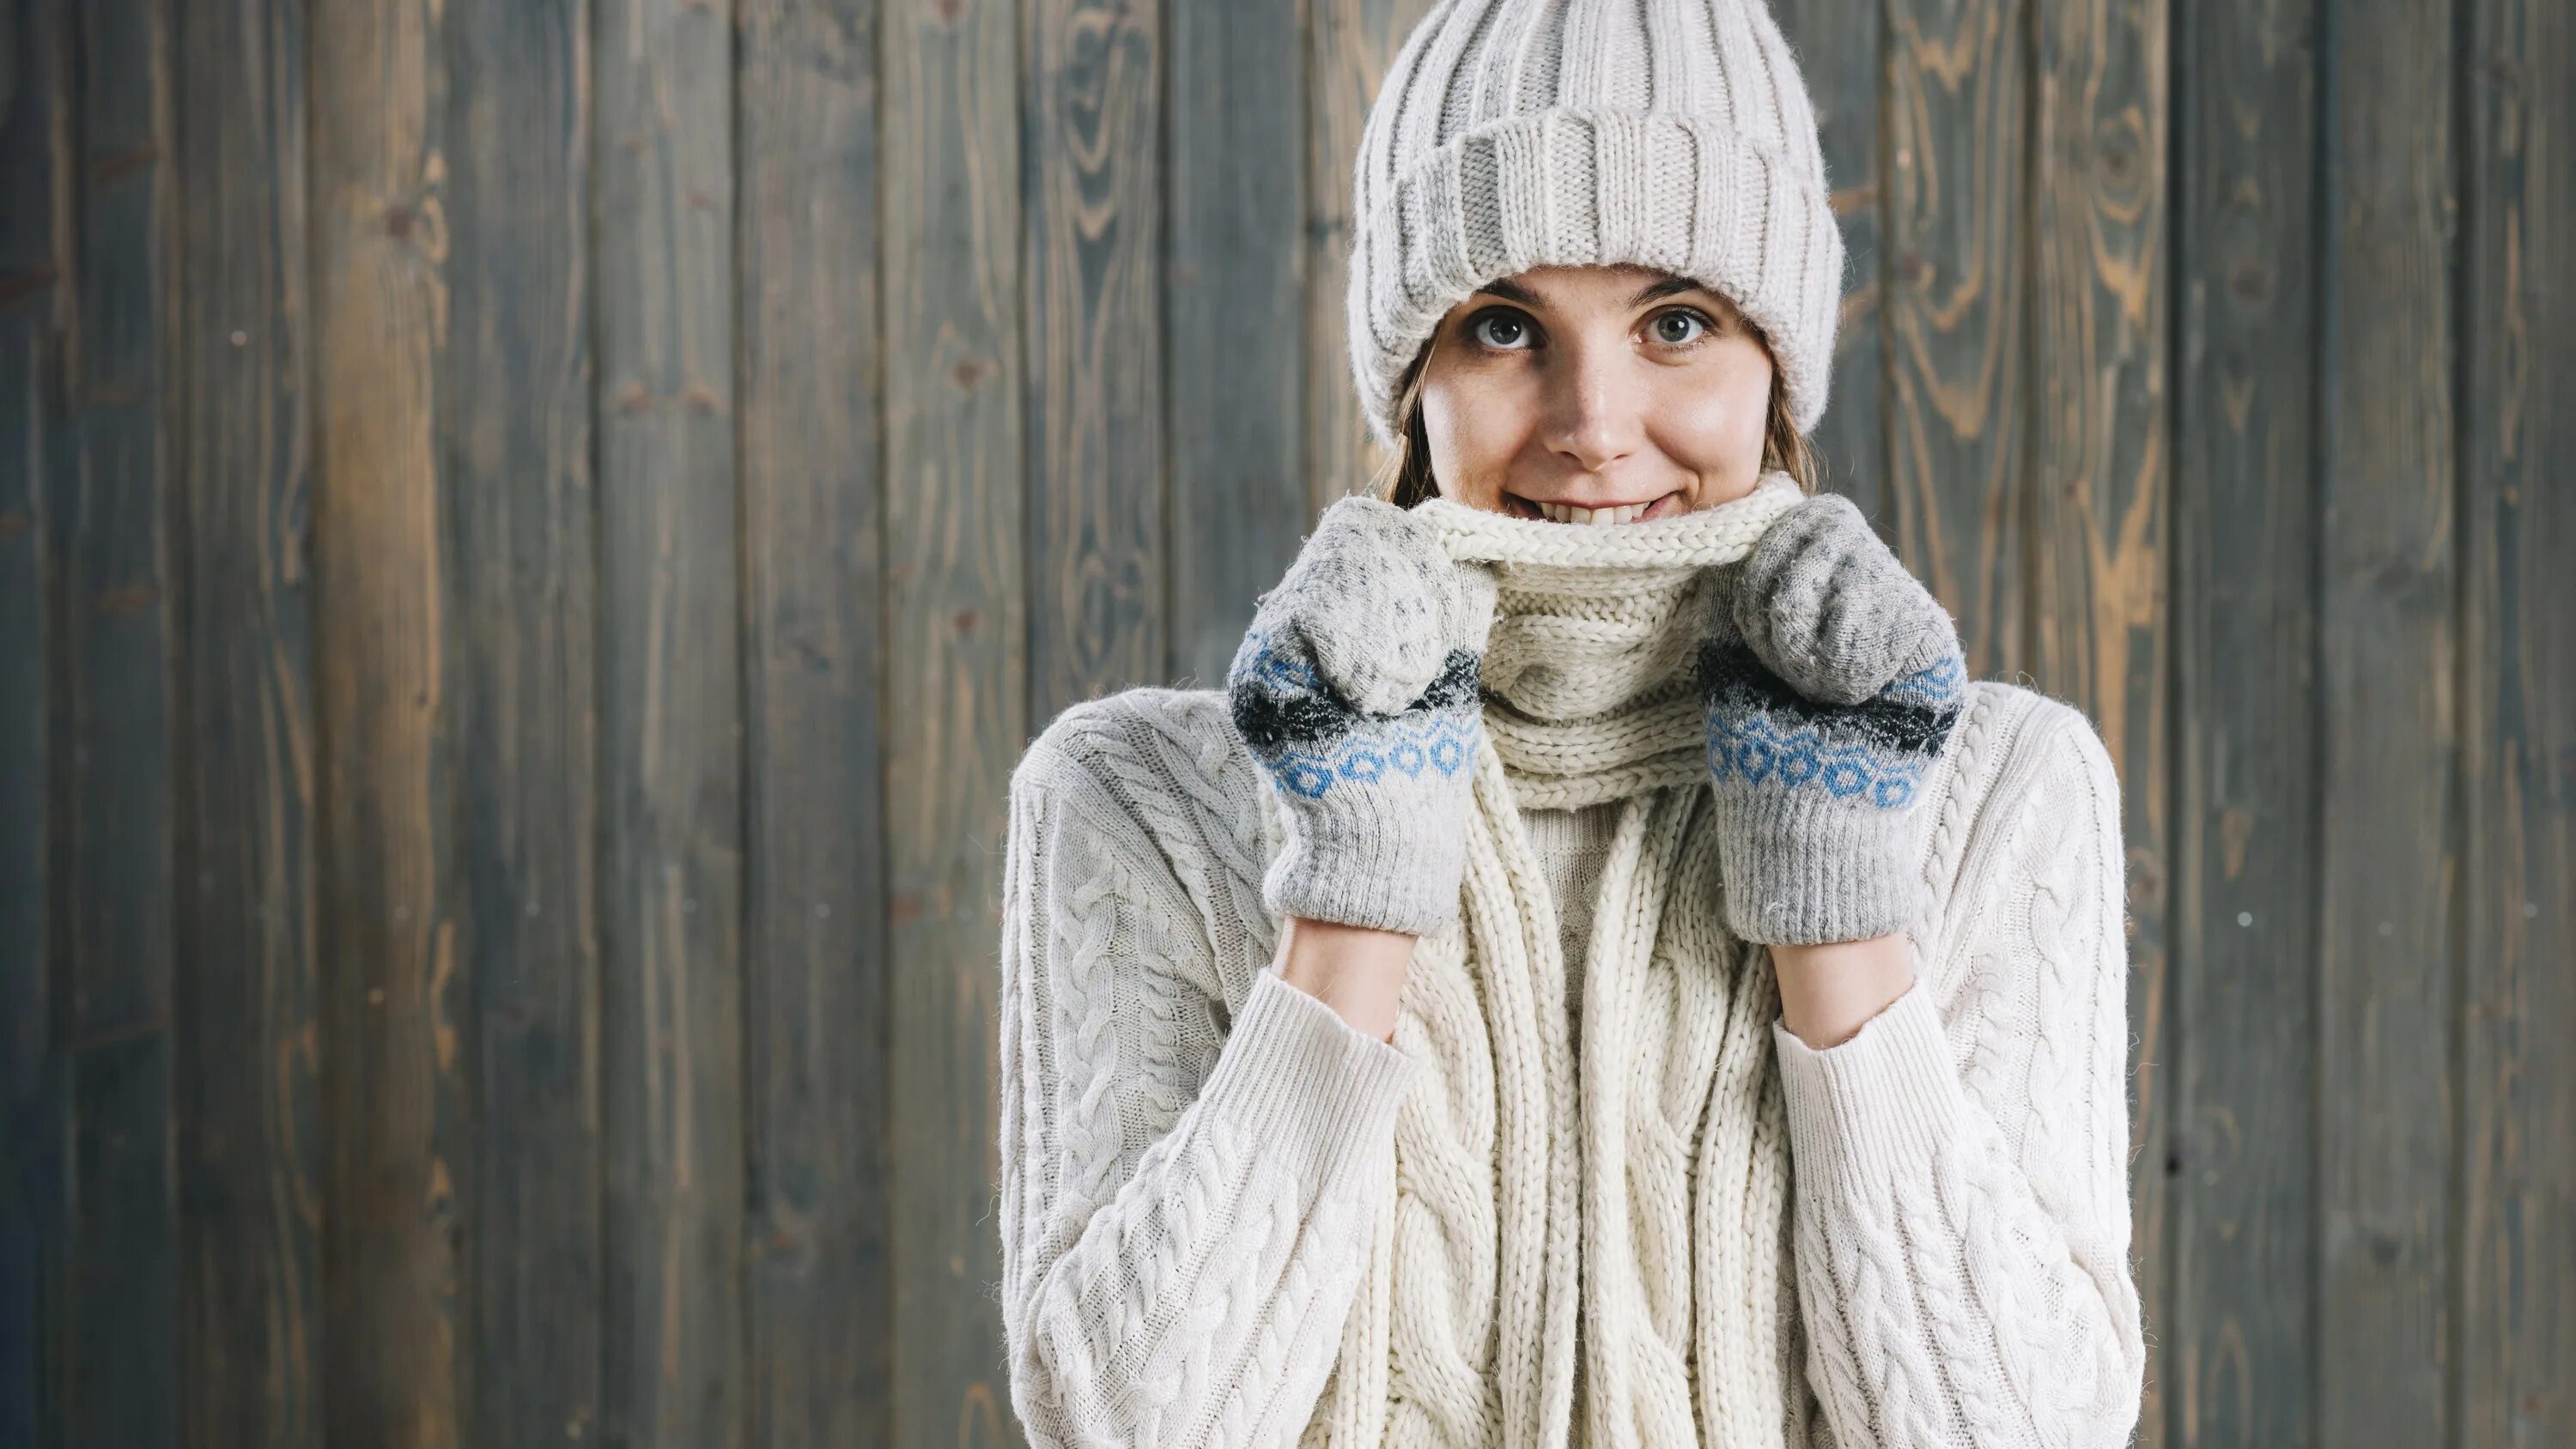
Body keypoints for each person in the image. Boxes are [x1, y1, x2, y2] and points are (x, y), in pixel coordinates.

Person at [994, 0, 2148, 1443]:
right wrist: (1352, 895)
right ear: (1415, 384)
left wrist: (1839, 904)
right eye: (1504, 325)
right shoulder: (1138, 799)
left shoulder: (1990, 789)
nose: (1594, 422)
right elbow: (1129, 1424)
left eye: (1678, 321)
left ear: (1777, 363)